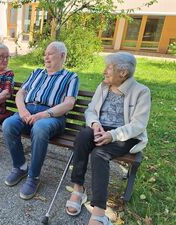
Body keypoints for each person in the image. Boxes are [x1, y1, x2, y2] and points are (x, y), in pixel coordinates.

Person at [66, 52, 151, 225]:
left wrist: (112, 135)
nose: (104, 71)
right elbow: (90, 110)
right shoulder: (103, 86)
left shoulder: (141, 92)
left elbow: (138, 125)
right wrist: (95, 124)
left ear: (123, 72)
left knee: (99, 154)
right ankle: (78, 189)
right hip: (101, 128)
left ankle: (99, 211)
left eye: (109, 68)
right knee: (83, 136)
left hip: (126, 136)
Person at [2, 41, 79, 200]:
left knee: (40, 128)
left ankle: (34, 177)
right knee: (8, 124)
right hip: (28, 111)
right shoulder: (36, 72)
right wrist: (22, 110)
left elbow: (69, 103)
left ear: (62, 56)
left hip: (52, 116)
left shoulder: (71, 77)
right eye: (45, 53)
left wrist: (44, 115)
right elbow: (20, 94)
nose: (46, 57)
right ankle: (20, 166)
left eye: (50, 53)